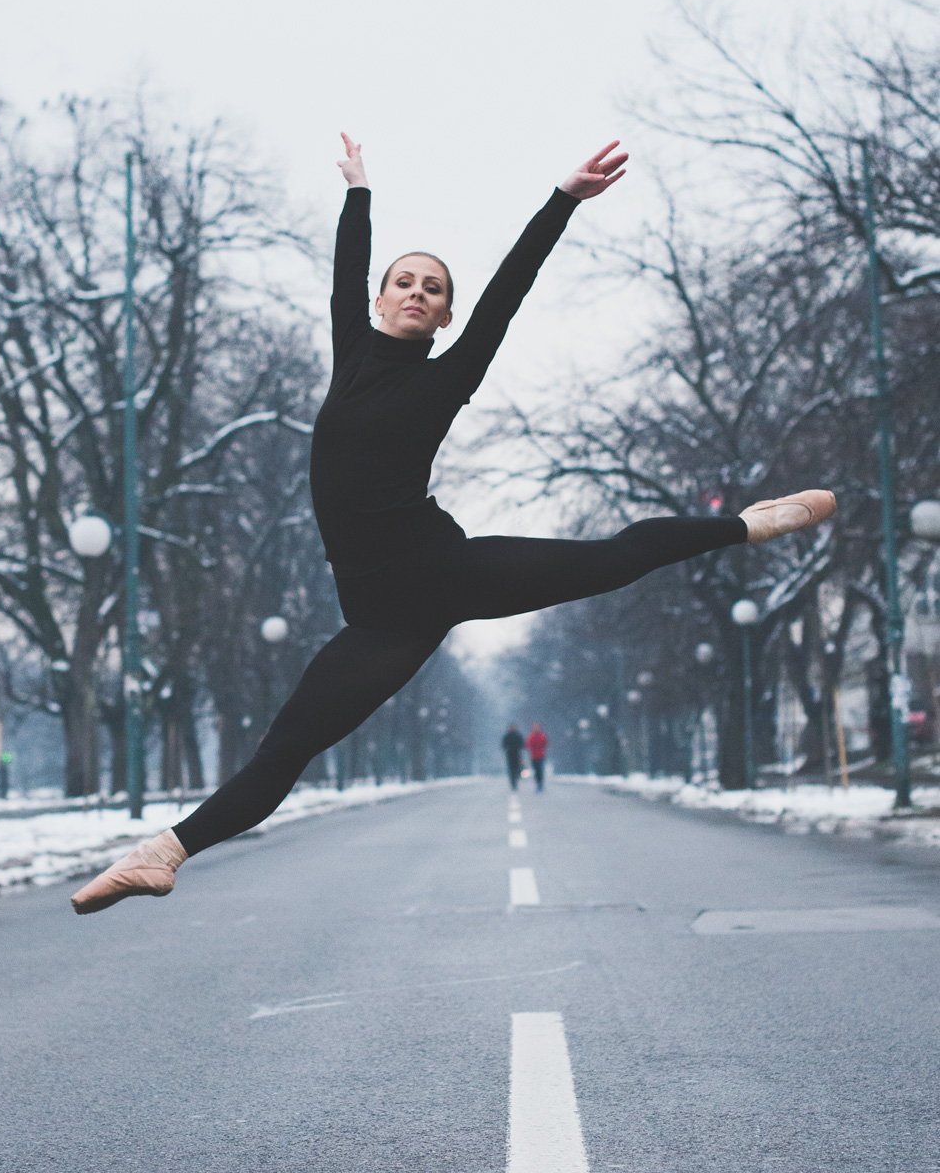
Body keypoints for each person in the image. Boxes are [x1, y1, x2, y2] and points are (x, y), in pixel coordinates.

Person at [72, 133, 836, 914]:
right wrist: (358, 191)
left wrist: (563, 200)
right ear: (378, 300)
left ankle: (747, 525)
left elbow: (512, 285)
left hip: (442, 572)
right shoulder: (349, 357)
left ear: (443, 318)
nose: (415, 293)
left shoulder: (449, 374)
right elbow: (345, 269)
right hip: (377, 622)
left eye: (432, 290)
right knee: (286, 748)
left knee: (613, 558)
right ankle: (162, 854)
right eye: (403, 282)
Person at [502, 725, 525, 792]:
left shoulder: (518, 736)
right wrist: (508, 748)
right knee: (511, 770)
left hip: (517, 755)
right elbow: (503, 745)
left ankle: (516, 780)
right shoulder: (507, 736)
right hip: (509, 755)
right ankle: (513, 783)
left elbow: (522, 744)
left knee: (517, 768)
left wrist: (517, 747)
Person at [526, 724, 548, 791]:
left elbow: (545, 743)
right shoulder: (531, 736)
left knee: (540, 770)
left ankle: (540, 783)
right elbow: (528, 745)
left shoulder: (542, 736)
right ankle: (538, 783)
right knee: (536, 771)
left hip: (541, 756)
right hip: (533, 756)